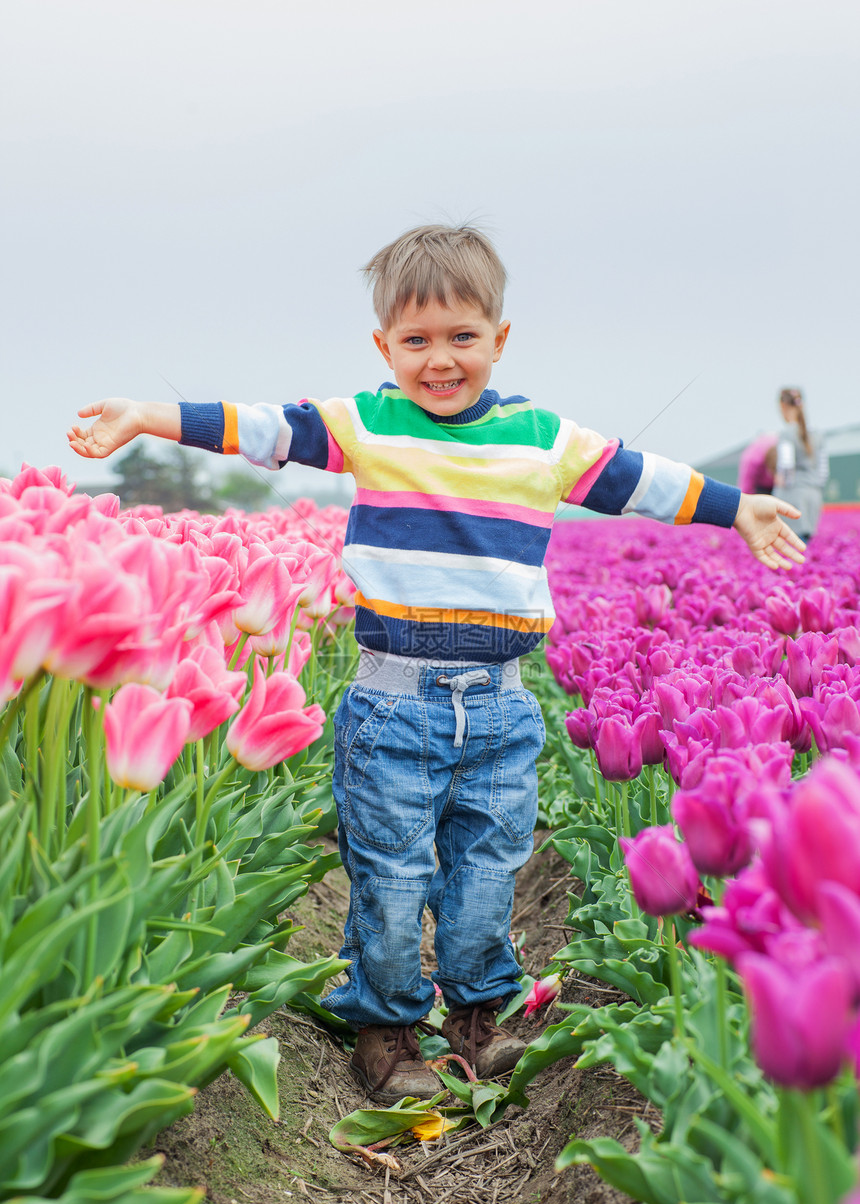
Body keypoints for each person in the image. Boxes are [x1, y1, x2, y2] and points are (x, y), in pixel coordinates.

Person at [68, 223, 805, 1105]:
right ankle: (382, 1029)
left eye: (462, 336)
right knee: (390, 875)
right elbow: (262, 430)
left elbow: (640, 478)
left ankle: (478, 1017)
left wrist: (739, 510)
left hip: (502, 706)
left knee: (490, 870)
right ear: (385, 346)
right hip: (392, 704)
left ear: (500, 338)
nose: (440, 359)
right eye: (416, 341)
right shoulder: (367, 424)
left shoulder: (544, 440)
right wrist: (146, 415)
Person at [763, 387, 828, 542]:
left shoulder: (787, 434)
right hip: (813, 495)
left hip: (793, 496)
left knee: (791, 545)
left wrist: (780, 479)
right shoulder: (817, 435)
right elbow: (823, 471)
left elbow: (786, 466)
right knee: (806, 544)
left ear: (783, 407)